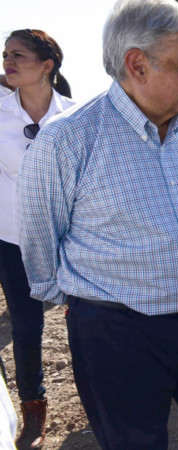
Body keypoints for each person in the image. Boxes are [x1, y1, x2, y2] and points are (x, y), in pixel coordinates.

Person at [16, 0, 178, 448]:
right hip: (117, 338)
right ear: (136, 64)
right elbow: (38, 243)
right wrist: (93, 310)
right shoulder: (67, 140)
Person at [0, 28, 74, 450]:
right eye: (5, 54)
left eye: (18, 55)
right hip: (11, 241)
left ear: (47, 66)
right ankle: (33, 411)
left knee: (84, 322)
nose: (8, 61)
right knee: (26, 327)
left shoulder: (76, 115)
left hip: (68, 241)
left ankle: (103, 402)